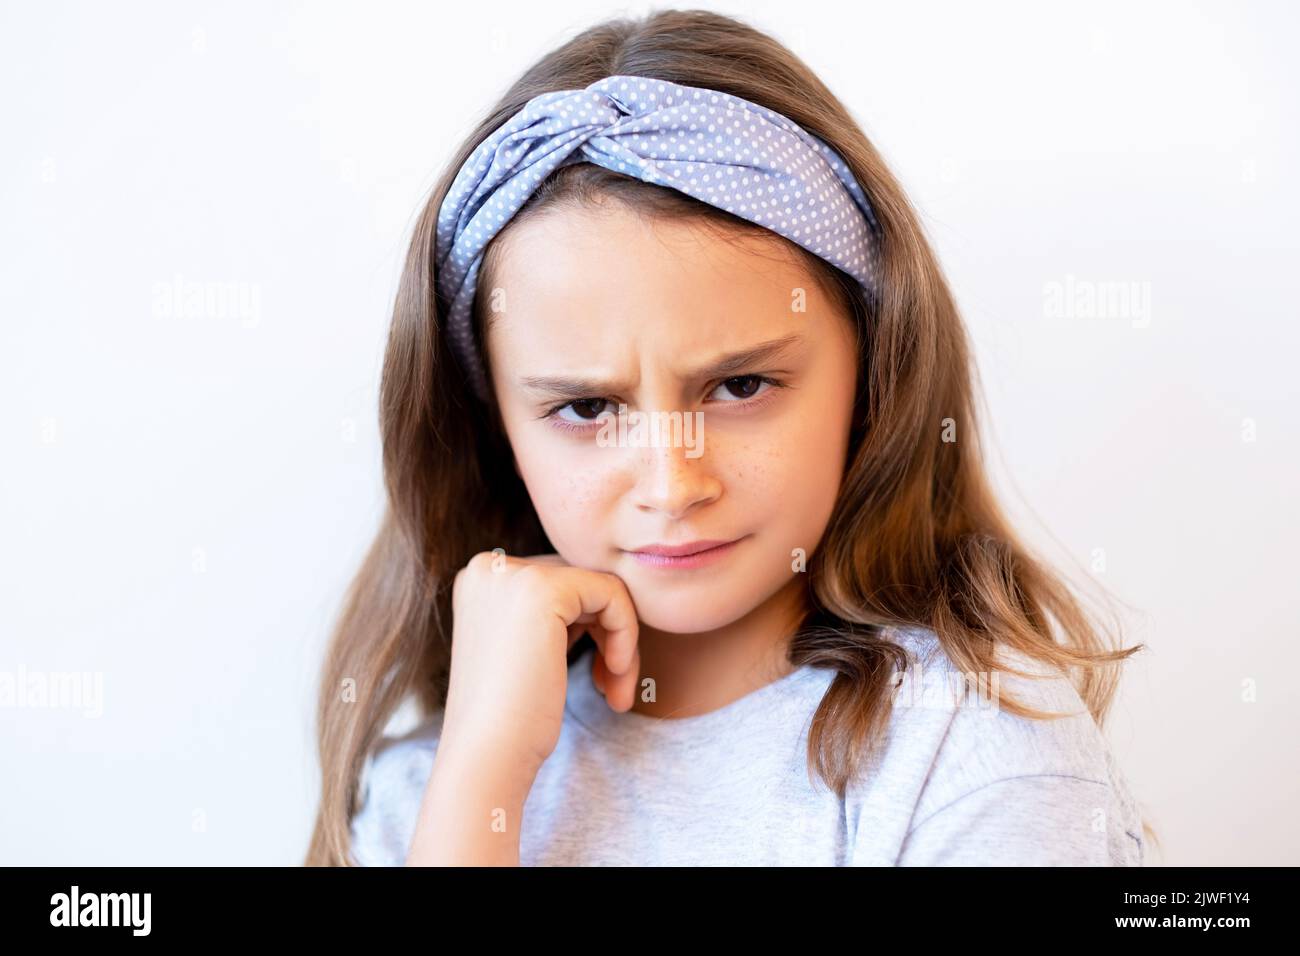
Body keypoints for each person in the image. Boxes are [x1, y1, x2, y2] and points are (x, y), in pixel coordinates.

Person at [304, 8, 1153, 867]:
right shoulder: (428, 795)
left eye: (740, 386)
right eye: (589, 410)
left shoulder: (972, 749)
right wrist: (479, 782)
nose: (672, 485)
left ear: (874, 370)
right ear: (493, 425)